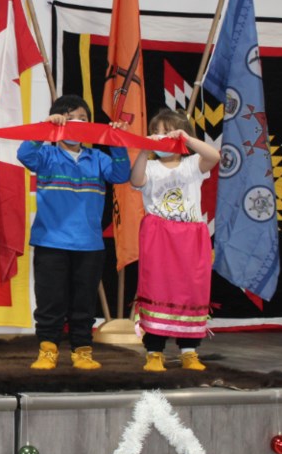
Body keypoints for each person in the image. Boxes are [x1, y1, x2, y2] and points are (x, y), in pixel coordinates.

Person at [17, 94, 130, 371]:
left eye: (83, 118)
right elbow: (24, 154)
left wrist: (115, 140)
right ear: (59, 123)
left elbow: (121, 173)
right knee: (50, 301)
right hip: (50, 242)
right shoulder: (46, 155)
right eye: (69, 119)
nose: (77, 123)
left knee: (83, 303)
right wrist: (46, 128)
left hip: (89, 245)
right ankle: (48, 349)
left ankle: (82, 350)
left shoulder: (97, 159)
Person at [130, 108, 220, 372]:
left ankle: (189, 351)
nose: (161, 138)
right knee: (157, 289)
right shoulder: (152, 166)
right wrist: (145, 150)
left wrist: (187, 139)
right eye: (156, 133)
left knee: (191, 291)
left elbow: (213, 156)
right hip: (159, 237)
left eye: (167, 132)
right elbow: (136, 179)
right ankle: (154, 351)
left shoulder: (193, 165)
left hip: (190, 237)